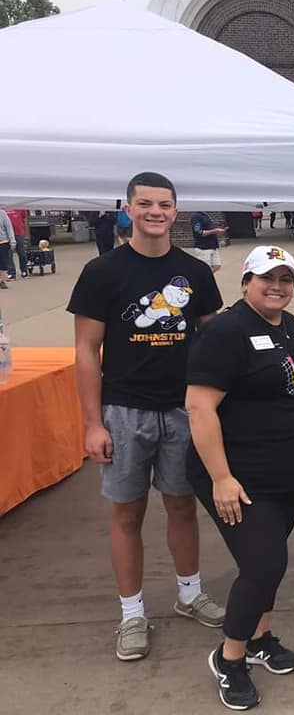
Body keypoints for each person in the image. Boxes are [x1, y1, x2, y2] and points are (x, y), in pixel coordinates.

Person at [67, 172, 226, 662]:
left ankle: (188, 593)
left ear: (176, 211)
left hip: (182, 411)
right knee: (127, 512)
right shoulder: (103, 272)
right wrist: (94, 423)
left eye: (164, 204)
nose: (155, 212)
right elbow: (86, 350)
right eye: (145, 204)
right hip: (123, 412)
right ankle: (131, 613)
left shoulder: (197, 273)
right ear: (128, 209)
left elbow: (213, 346)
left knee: (182, 506)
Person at [186, 245, 294, 711]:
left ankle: (261, 638)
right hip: (240, 476)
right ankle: (230, 658)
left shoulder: (290, 325)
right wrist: (221, 478)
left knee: (273, 559)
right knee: (264, 564)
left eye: (285, 279)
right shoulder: (226, 331)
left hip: (288, 470)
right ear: (246, 282)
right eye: (267, 278)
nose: (277, 286)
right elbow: (199, 406)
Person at [3, 207, 29, 279]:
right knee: (9, 254)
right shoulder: (3, 208)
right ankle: (11, 273)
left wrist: (26, 233)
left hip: (19, 233)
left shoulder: (19, 206)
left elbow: (24, 219)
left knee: (22, 253)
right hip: (7, 234)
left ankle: (24, 270)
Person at [0, 209, 15, 287]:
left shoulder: (2, 213)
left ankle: (2, 281)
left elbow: (9, 227)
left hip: (3, 242)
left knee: (2, 263)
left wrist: (12, 241)